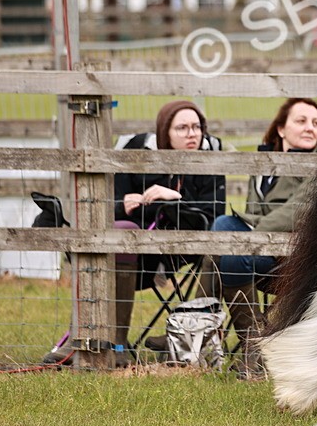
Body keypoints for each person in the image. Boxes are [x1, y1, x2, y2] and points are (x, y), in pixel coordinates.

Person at [42, 101, 227, 365]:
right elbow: (106, 205)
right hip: (131, 250)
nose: (192, 134)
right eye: (182, 128)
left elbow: (212, 217)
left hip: (185, 251)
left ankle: (129, 344)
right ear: (165, 132)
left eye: (197, 127)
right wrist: (124, 203)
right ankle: (106, 344)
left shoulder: (213, 156)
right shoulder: (136, 152)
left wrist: (175, 198)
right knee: (118, 232)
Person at [210, 98, 317, 376]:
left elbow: (299, 211)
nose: (311, 128)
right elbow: (252, 209)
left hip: (296, 259)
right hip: (260, 253)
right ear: (280, 129)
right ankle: (204, 331)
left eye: (316, 123)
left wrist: (251, 236)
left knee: (227, 255)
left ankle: (238, 347)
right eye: (301, 121)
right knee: (222, 230)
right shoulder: (263, 160)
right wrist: (248, 237)